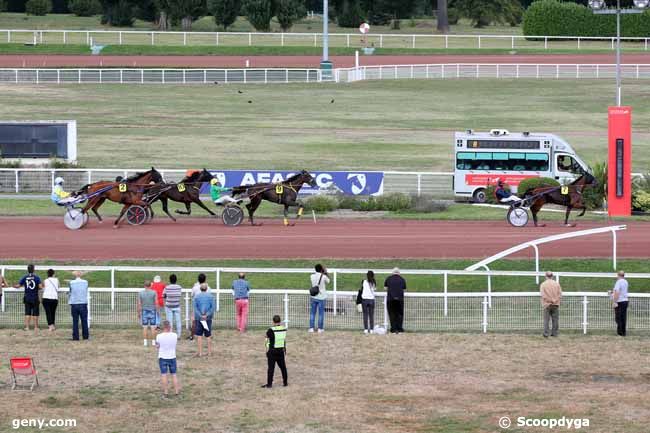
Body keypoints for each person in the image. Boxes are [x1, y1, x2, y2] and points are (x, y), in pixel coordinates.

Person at [14, 264, 42, 333]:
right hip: (35, 297)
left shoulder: (25, 277)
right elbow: (40, 287)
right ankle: (36, 327)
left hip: (27, 297)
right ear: (34, 270)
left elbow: (18, 285)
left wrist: (14, 286)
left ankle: (27, 327)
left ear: (28, 270)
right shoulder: (37, 277)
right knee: (35, 313)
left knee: (27, 312)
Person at [155, 320, 180, 399]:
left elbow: (157, 346)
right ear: (170, 327)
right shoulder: (175, 335)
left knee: (164, 374)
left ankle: (166, 393)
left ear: (163, 327)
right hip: (172, 357)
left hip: (162, 357)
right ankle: (176, 392)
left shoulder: (159, 336)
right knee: (174, 374)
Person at [262, 315, 288, 389]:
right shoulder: (284, 329)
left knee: (271, 368)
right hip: (281, 351)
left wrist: (266, 350)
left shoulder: (271, 330)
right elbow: (284, 339)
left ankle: (269, 384)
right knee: (283, 367)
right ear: (280, 321)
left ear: (273, 322)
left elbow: (266, 337)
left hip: (272, 351)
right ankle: (285, 382)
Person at [193, 283, 215, 357]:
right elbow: (213, 308)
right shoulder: (211, 297)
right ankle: (209, 352)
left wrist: (201, 315)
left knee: (199, 335)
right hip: (208, 319)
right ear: (206, 289)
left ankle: (200, 352)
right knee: (208, 335)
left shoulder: (196, 297)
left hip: (199, 319)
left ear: (200, 289)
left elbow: (195, 308)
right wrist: (207, 315)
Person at [539, 271, 562, 338]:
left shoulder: (543, 284)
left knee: (546, 320)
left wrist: (550, 300)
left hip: (547, 304)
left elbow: (543, 295)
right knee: (555, 320)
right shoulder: (557, 284)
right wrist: (555, 300)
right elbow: (560, 294)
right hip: (556, 304)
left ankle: (546, 333)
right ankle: (555, 333)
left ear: (546, 276)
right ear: (552, 276)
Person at [384, 267, 406, 334]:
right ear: (399, 273)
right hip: (400, 299)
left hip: (390, 299)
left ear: (392, 272)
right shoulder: (402, 279)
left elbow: (385, 288)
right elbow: (404, 289)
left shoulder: (388, 278)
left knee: (392, 314)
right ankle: (399, 329)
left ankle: (393, 329)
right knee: (399, 314)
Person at [68, 270, 89, 341]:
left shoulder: (71, 282)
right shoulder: (85, 282)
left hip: (74, 304)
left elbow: (70, 291)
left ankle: (75, 337)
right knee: (84, 321)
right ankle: (85, 337)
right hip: (83, 303)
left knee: (75, 321)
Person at [189, 273, 210, 341]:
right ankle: (207, 336)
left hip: (196, 307)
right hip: (205, 307)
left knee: (194, 322)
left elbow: (191, 295)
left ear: (198, 280)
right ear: (205, 279)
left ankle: (192, 336)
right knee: (205, 321)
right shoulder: (208, 288)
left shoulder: (195, 288)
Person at [309, 264, 329, 333]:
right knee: (321, 313)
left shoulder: (311, 276)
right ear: (321, 269)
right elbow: (328, 281)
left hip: (313, 296)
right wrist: (325, 272)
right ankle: (320, 328)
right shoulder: (323, 276)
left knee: (312, 313)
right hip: (321, 297)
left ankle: (311, 328)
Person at [137, 281, 158, 347]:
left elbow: (139, 304)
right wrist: (157, 311)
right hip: (152, 311)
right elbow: (156, 302)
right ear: (150, 285)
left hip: (144, 311)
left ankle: (145, 342)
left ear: (144, 285)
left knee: (145, 327)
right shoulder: (154, 292)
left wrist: (139, 312)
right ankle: (153, 342)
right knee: (153, 327)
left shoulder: (141, 293)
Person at [611, 270, 629, 337]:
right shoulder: (626, 281)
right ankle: (623, 333)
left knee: (618, 318)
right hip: (625, 301)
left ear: (618, 275)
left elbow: (617, 292)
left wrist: (615, 302)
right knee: (623, 318)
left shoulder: (618, 282)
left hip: (620, 301)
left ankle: (620, 333)